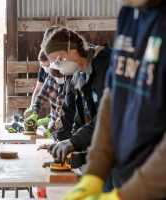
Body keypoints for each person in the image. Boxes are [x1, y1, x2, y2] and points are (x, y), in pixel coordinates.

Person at [63, 0, 166, 199]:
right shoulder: (130, 14)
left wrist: (129, 193)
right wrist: (94, 173)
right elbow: (112, 101)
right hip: (127, 176)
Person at [43, 27, 111, 169]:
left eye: (58, 60)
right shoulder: (78, 75)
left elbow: (109, 116)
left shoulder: (106, 64)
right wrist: (66, 142)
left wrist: (73, 142)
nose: (58, 66)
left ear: (72, 49)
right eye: (55, 63)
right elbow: (80, 116)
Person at [24, 50, 50, 118]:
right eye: (42, 65)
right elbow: (38, 89)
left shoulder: (59, 73)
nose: (45, 69)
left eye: (47, 65)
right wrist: (32, 106)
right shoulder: (42, 69)